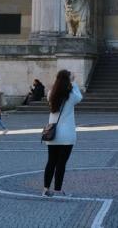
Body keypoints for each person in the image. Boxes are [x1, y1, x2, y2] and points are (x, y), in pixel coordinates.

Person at [43, 69, 83, 197]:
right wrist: (74, 83)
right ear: (68, 80)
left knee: (51, 162)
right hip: (66, 134)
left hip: (52, 133)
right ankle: (58, 189)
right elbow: (80, 97)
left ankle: (45, 189)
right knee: (61, 163)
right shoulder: (71, 95)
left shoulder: (51, 93)